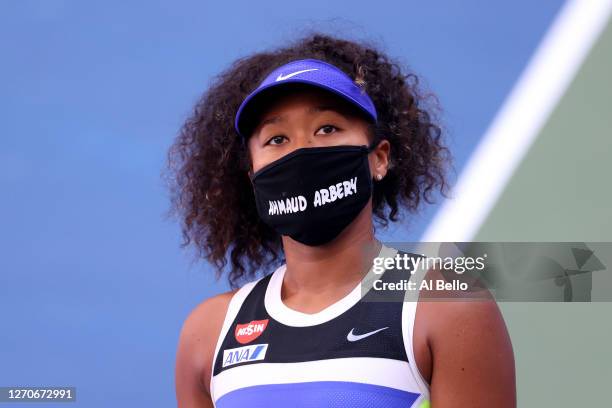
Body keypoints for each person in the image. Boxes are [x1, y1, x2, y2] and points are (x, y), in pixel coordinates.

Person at [169, 33, 516, 408]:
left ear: (378, 158)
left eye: (327, 129)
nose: (301, 151)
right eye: (277, 139)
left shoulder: (448, 306)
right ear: (253, 177)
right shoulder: (209, 333)